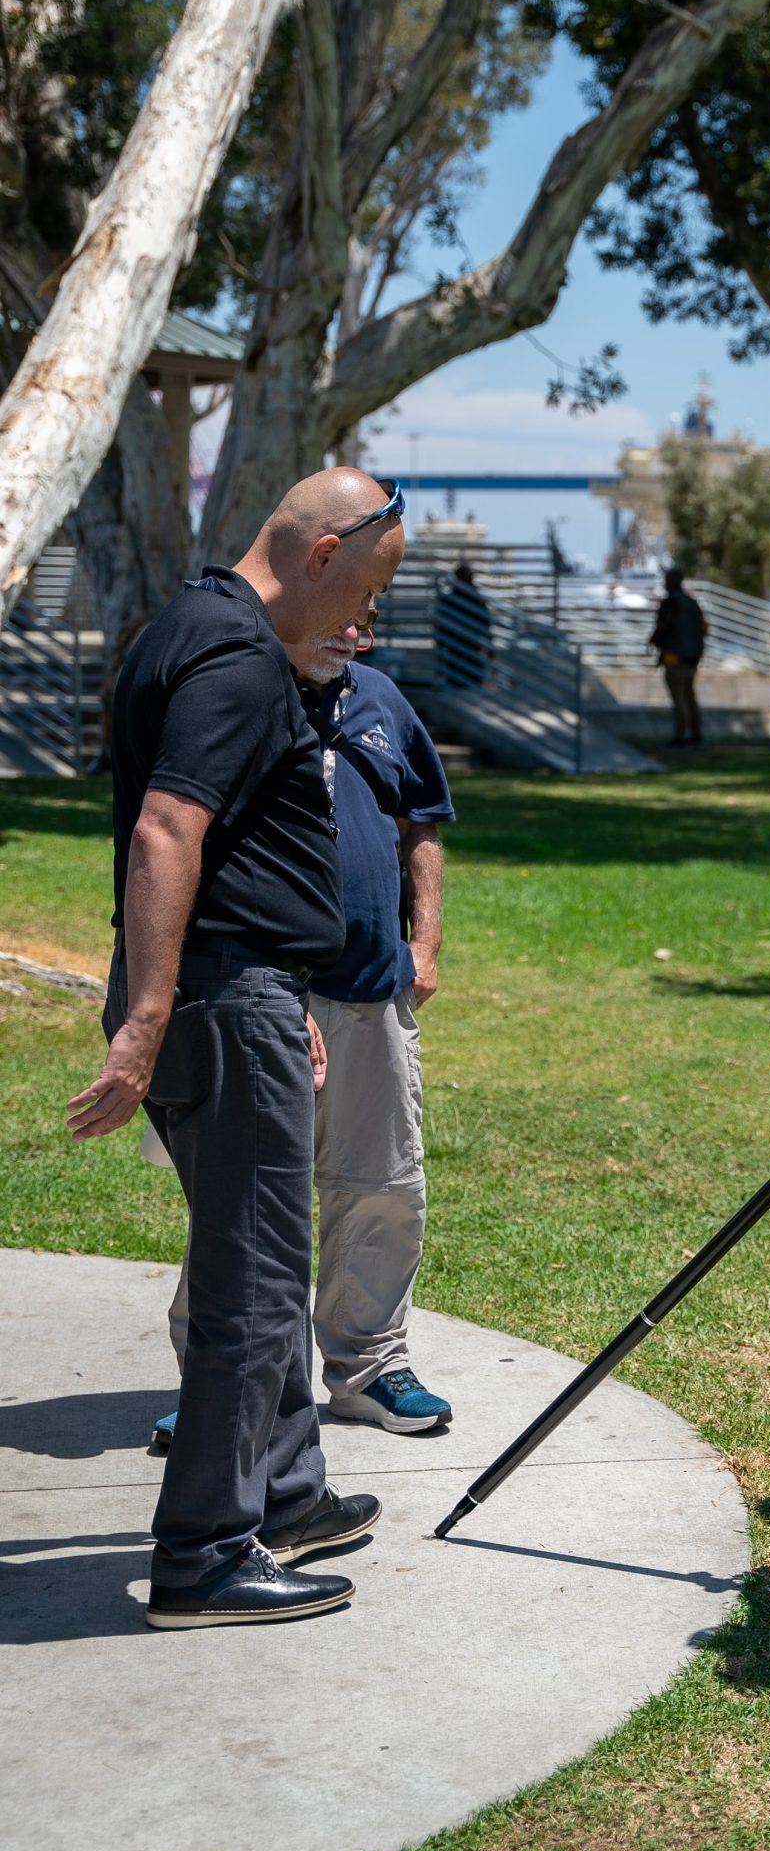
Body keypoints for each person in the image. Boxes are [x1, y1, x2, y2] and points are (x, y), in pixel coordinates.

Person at [69, 472, 406, 1630]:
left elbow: (237, 854)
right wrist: (150, 1018)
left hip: (241, 990)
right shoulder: (234, 656)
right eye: (363, 590)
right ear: (319, 555)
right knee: (256, 1287)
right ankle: (207, 1551)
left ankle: (287, 1494)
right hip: (215, 1005)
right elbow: (170, 828)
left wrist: (276, 985)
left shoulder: (193, 625)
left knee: (261, 1260)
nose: (364, 623)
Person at [152, 618, 457, 1453]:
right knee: (246, 1201)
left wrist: (423, 946)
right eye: (344, 603)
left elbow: (421, 820)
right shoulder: (236, 696)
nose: (357, 627)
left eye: (371, 609)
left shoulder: (383, 700)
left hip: (370, 993)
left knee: (381, 1186)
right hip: (259, 994)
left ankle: (369, 1369)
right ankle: (224, 1388)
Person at [649, 565, 707, 747]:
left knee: (679, 698)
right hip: (692, 658)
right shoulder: (692, 602)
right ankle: (695, 733)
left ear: (671, 582)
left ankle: (680, 736)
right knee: (690, 696)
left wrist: (653, 641)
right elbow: (704, 628)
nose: (664, 584)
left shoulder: (671, 603)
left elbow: (663, 627)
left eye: (666, 580)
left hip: (674, 657)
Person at [434, 558, 491, 690]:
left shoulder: (450, 598)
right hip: (471, 646)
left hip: (456, 646)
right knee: (470, 682)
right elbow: (485, 622)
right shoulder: (476, 599)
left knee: (456, 681)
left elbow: (441, 624)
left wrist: (440, 645)